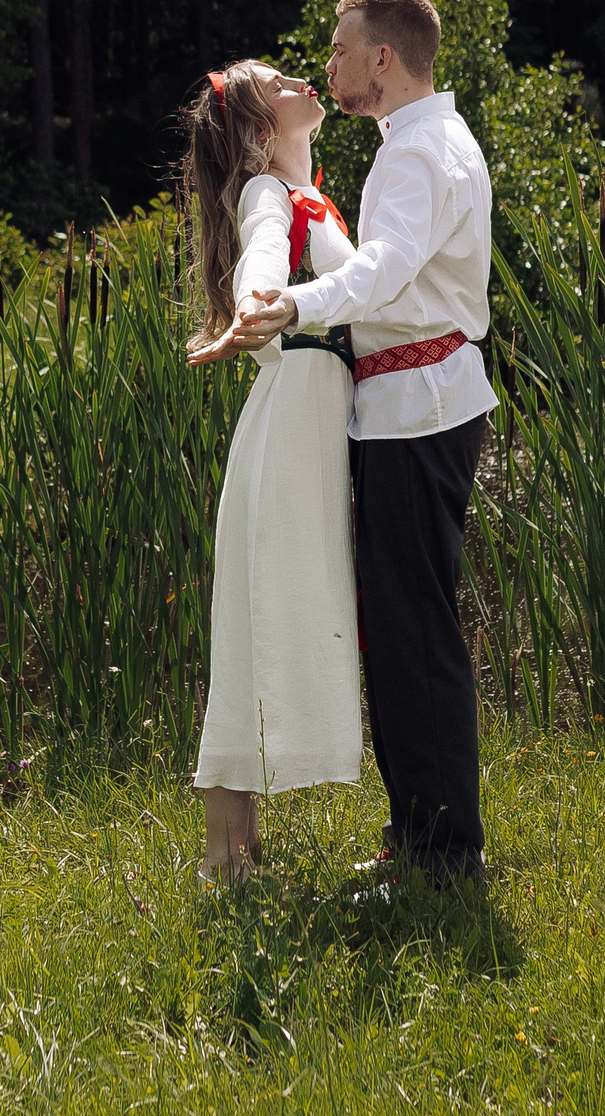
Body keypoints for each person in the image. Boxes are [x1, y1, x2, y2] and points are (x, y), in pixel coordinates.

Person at [193, 0, 496, 882]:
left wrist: (288, 304)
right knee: (398, 628)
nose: (324, 66)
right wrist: (266, 296)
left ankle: (440, 853)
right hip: (404, 406)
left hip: (418, 408)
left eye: (336, 50)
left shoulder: (417, 152)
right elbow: (272, 245)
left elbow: (385, 274)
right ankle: (420, 837)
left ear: (383, 57)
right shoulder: (417, 144)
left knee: (413, 632)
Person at [182, 59, 362, 883]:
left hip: (311, 428)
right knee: (260, 623)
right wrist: (255, 306)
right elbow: (261, 255)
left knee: (269, 617)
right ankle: (225, 858)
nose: (303, 83)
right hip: (292, 432)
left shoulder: (315, 198)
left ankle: (238, 851)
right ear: (260, 131)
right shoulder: (269, 195)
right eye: (282, 84)